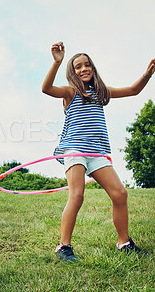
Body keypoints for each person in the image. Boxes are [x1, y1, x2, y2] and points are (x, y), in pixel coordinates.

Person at [42, 42, 154, 263]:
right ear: (72, 72)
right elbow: (46, 89)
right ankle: (63, 247)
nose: (83, 69)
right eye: (78, 67)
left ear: (92, 68)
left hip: (97, 151)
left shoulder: (101, 92)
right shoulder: (70, 92)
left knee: (120, 194)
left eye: (87, 65)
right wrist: (56, 62)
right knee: (77, 194)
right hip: (74, 149)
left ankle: (124, 244)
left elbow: (133, 91)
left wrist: (148, 74)